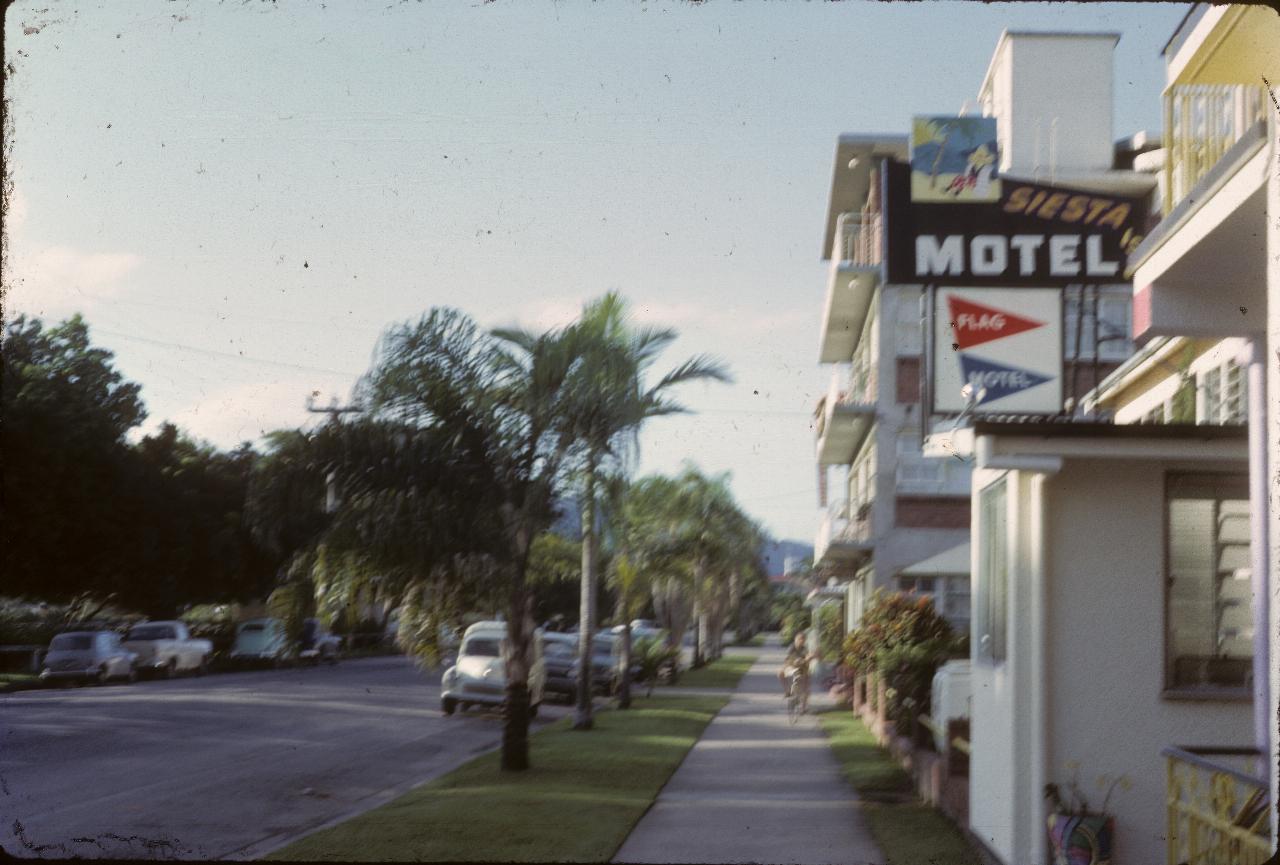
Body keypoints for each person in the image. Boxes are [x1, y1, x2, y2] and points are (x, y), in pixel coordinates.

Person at [779, 632, 817, 712]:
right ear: (795, 640)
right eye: (799, 639)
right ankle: (787, 691)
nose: (801, 641)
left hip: (803, 668)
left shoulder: (804, 648)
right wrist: (792, 663)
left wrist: (809, 658)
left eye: (803, 639)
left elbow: (808, 657)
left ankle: (803, 707)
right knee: (780, 673)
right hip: (792, 667)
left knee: (806, 686)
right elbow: (787, 660)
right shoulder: (791, 648)